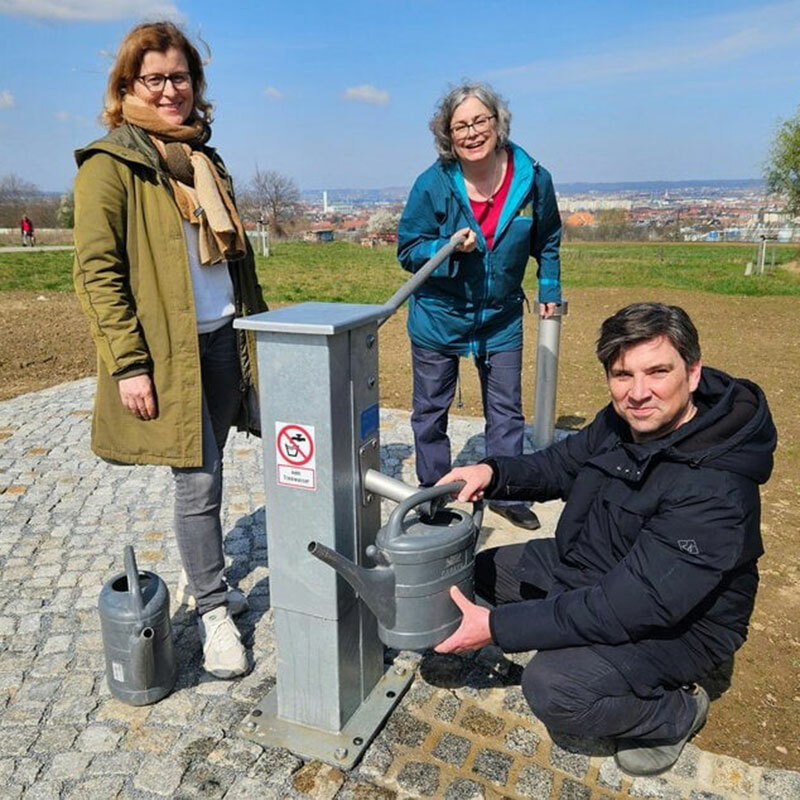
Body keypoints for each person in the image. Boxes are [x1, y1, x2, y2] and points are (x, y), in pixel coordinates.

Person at [434, 302, 776, 777]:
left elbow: (627, 607)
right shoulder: (623, 423)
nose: (638, 392)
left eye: (657, 371)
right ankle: (567, 640)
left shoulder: (713, 488)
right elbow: (558, 465)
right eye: (622, 375)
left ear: (692, 373)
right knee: (482, 572)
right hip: (594, 565)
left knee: (555, 687)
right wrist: (491, 471)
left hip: (683, 623)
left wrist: (499, 629)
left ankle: (674, 714)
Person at [73, 21, 267, 679]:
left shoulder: (203, 159)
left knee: (211, 468)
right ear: (128, 85)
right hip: (168, 353)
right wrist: (128, 363)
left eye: (179, 76)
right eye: (153, 78)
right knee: (200, 478)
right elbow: (97, 272)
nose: (169, 89)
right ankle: (213, 611)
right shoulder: (109, 165)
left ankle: (201, 576)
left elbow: (236, 264)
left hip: (222, 340)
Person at [397, 82, 562, 532]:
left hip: (501, 316)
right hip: (438, 316)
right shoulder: (432, 184)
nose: (471, 133)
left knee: (506, 410)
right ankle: (434, 494)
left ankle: (507, 492)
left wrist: (549, 288)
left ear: (498, 123)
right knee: (431, 410)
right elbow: (409, 249)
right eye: (460, 126)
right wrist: (447, 247)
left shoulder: (532, 180)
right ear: (447, 136)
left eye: (479, 121)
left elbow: (547, 239)